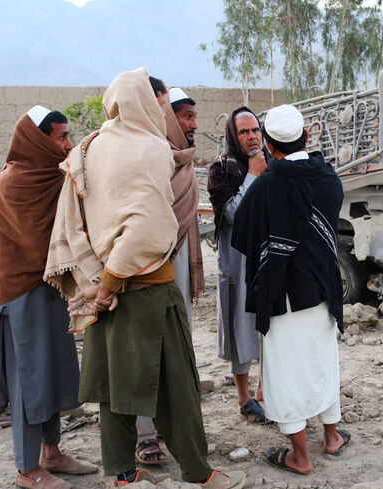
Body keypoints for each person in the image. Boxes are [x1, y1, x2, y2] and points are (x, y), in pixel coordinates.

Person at [43, 67, 242, 488]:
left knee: (114, 392)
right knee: (178, 388)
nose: (164, 110)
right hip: (148, 290)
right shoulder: (152, 149)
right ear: (145, 103)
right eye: (163, 103)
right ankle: (198, 473)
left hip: (102, 297)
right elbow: (150, 226)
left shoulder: (85, 149)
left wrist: (97, 283)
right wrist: (113, 279)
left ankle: (123, 475)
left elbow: (70, 224)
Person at [0, 106, 97, 489]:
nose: (67, 145)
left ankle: (52, 452)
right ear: (38, 139)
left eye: (67, 137)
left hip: (49, 291)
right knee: (29, 382)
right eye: (60, 137)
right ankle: (26, 468)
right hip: (21, 296)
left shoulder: (53, 177)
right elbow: (37, 245)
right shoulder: (15, 182)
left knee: (51, 374)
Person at [232, 104, 349, 475]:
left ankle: (300, 456)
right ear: (308, 136)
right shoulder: (329, 178)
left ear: (267, 143)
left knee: (285, 371)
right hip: (324, 289)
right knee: (323, 362)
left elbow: (243, 235)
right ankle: (332, 437)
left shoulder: (268, 184)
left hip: (282, 295)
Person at [132, 85, 208, 466]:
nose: (194, 124)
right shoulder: (147, 156)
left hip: (177, 265)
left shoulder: (185, 160)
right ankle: (144, 433)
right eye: (187, 116)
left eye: (195, 117)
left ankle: (171, 426)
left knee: (177, 346)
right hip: (145, 266)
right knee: (147, 348)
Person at [207, 107, 270, 424]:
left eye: (255, 130)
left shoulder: (271, 163)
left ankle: (263, 391)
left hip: (268, 260)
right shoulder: (222, 169)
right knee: (240, 327)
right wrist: (252, 177)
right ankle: (244, 397)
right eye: (244, 132)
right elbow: (233, 213)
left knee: (269, 328)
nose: (252, 137)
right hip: (237, 263)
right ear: (234, 136)